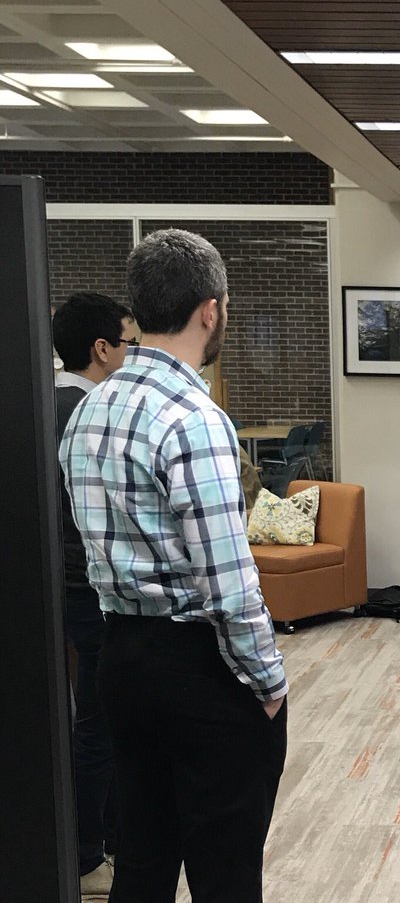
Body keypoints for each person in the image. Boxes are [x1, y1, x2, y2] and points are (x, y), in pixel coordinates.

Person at [59, 229, 287, 903]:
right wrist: (267, 682)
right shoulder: (194, 416)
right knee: (226, 870)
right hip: (201, 668)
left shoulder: (89, 408)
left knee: (144, 858)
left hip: (120, 656)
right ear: (211, 309)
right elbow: (227, 581)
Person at [52, 291, 138, 898]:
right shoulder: (84, 415)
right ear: (102, 349)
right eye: (130, 342)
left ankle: (108, 839)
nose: (136, 353)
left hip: (74, 588)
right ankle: (87, 859)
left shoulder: (51, 403)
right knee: (100, 726)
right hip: (90, 591)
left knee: (103, 722)